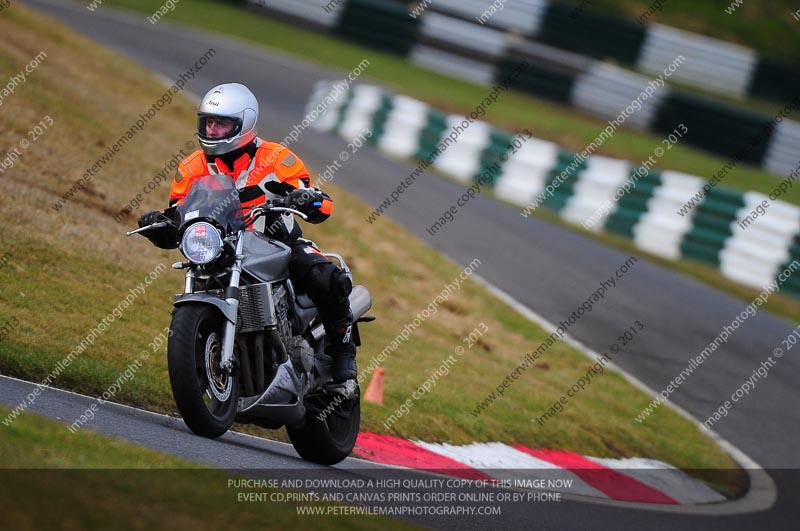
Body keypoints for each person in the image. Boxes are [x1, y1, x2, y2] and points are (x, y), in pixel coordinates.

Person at [138, 82, 356, 382]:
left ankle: (343, 354)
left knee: (325, 277)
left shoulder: (277, 157)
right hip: (221, 247)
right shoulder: (191, 168)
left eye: (222, 124)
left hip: (278, 242)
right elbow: (179, 214)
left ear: (245, 124)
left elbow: (316, 198)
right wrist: (160, 224)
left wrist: (307, 198)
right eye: (209, 123)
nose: (213, 131)